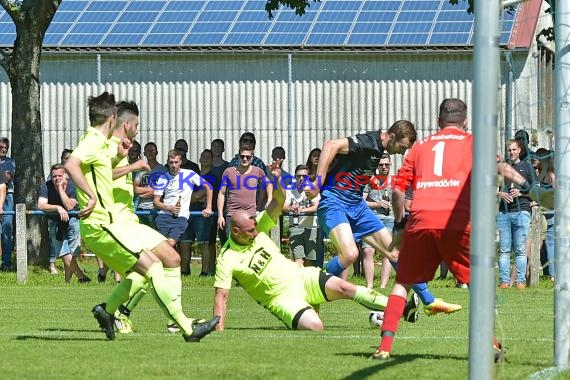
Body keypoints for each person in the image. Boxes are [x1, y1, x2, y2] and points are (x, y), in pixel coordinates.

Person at [371, 98, 533, 361]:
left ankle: (384, 348)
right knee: (478, 285)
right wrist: (529, 186)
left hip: (421, 219)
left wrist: (401, 223)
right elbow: (501, 167)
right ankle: (490, 345)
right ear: (465, 121)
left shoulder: (420, 146)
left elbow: (398, 190)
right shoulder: (474, 143)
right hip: (457, 221)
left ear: (438, 121)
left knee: (402, 283)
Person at [64, 92, 219, 342]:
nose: (136, 129)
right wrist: (91, 195)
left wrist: (118, 157)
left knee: (169, 259)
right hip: (105, 223)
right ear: (117, 119)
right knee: (154, 268)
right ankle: (184, 327)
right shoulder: (94, 140)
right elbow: (72, 164)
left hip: (116, 222)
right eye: (136, 125)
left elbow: (99, 168)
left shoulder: (103, 145)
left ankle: (109, 310)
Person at [213, 160, 418, 331]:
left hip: (302, 276)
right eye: (250, 231)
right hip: (281, 299)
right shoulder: (226, 257)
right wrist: (219, 332)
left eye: (255, 228)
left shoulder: (257, 226)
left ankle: (403, 308)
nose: (256, 232)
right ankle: (306, 311)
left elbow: (277, 201)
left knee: (345, 287)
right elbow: (221, 297)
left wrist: (276, 179)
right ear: (236, 231)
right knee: (316, 327)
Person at [313, 121, 458, 316]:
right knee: (349, 255)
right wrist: (318, 181)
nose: (402, 153)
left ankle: (429, 302)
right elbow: (330, 145)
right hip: (334, 203)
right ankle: (311, 284)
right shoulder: (367, 142)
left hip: (357, 206)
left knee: (397, 254)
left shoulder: (379, 149)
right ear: (391, 136)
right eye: (402, 147)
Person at [154, 149, 213, 275]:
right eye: (171, 162)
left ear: (180, 162)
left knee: (170, 243)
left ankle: (168, 271)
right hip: (164, 216)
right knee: (157, 246)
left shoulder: (189, 174)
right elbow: (156, 202)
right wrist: (168, 207)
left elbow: (209, 186)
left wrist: (208, 207)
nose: (173, 165)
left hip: (180, 218)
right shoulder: (163, 178)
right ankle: (160, 272)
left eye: (176, 162)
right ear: (167, 162)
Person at [38, 163, 91, 283]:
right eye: (54, 176)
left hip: (72, 220)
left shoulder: (73, 186)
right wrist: (57, 207)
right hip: (55, 222)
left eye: (59, 176)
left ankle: (67, 282)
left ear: (65, 175)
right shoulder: (46, 186)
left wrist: (61, 189)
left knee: (72, 253)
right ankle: (82, 277)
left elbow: (70, 206)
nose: (56, 178)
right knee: (63, 252)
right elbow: (41, 204)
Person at [497, 139, 533, 289]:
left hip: (522, 211)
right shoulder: (502, 168)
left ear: (519, 150)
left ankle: (520, 282)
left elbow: (536, 190)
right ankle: (504, 282)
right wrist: (500, 194)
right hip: (504, 212)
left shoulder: (527, 167)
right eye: (509, 150)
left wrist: (522, 191)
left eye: (514, 150)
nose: (511, 152)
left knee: (520, 249)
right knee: (504, 249)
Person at [217, 143, 272, 236]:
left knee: (250, 246)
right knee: (231, 247)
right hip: (232, 216)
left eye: (248, 157)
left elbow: (269, 184)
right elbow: (221, 194)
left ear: (252, 157)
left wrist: (269, 199)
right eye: (242, 156)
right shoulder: (229, 171)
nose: (245, 159)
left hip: (250, 216)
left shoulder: (257, 171)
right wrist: (220, 216)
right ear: (238, 157)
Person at [362, 153, 394, 289]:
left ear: (391, 165)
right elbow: (361, 202)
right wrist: (378, 204)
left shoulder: (396, 181)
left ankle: (383, 286)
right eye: (381, 165)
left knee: (387, 252)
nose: (384, 167)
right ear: (377, 166)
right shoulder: (369, 180)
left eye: (386, 164)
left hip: (389, 219)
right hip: (371, 218)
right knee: (368, 251)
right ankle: (369, 286)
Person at [283, 164, 320, 267]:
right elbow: (284, 206)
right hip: (295, 226)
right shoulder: (290, 189)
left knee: (309, 259)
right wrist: (291, 208)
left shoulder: (312, 188)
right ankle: (299, 280)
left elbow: (317, 206)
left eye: (304, 176)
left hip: (311, 226)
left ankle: (307, 281)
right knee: (298, 258)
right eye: (298, 176)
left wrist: (302, 210)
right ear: (295, 177)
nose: (301, 178)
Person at [134, 142, 167, 229]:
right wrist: (150, 190)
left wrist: (142, 194)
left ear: (157, 152)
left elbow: (162, 191)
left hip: (156, 209)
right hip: (140, 208)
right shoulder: (141, 169)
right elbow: (135, 189)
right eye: (147, 150)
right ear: (144, 153)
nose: (150, 152)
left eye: (152, 150)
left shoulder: (163, 170)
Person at [0, 137, 15, 272]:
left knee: (7, 230)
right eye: (1, 147)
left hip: (8, 196)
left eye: (6, 148)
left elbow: (9, 176)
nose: (4, 150)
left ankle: (6, 262)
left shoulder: (10, 162)